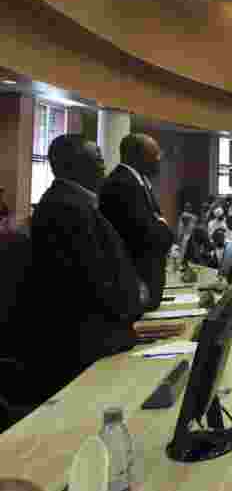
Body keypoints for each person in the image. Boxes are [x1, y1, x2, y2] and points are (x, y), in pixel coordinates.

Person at [21, 134, 147, 404]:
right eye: (97, 160)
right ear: (72, 165)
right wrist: (132, 303)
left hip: (96, 337)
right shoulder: (67, 208)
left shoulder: (74, 203)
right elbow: (93, 280)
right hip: (87, 347)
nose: (104, 167)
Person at [99, 133, 174, 311]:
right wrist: (163, 226)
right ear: (139, 156)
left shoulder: (137, 181)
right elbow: (149, 235)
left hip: (143, 286)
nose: (159, 160)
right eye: (155, 155)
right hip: (134, 286)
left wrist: (160, 225)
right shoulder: (122, 184)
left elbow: (157, 225)